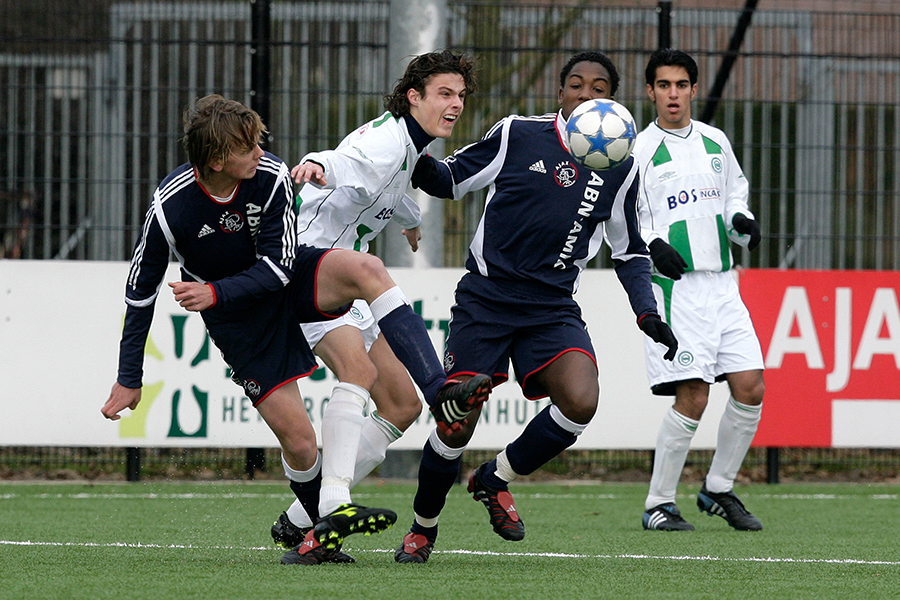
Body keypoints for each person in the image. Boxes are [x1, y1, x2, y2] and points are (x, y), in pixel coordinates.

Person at [99, 95, 491, 566]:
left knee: (366, 272)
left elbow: (281, 265)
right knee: (302, 444)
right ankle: (318, 527)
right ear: (217, 159)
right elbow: (138, 295)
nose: (261, 153)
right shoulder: (170, 207)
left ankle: (436, 392)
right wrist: (129, 377)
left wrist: (215, 292)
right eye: (248, 147)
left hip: (282, 279)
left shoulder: (269, 177)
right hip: (240, 322)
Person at [392, 51, 678, 564]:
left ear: (613, 100)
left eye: (599, 87)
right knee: (456, 424)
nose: (586, 94)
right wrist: (403, 143)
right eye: (576, 84)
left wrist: (647, 312)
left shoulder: (623, 166)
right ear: (560, 92)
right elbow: (448, 180)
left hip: (551, 307)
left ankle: (494, 477)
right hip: (486, 300)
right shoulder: (517, 134)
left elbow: (631, 251)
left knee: (581, 400)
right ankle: (423, 528)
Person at [268, 50, 481, 558]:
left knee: (399, 406)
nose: (454, 105)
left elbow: (391, 182)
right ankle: (332, 506)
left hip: (342, 274)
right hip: (305, 266)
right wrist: (319, 164)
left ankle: (301, 519)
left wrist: (409, 217)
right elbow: (353, 161)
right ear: (414, 97)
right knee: (360, 370)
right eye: (444, 94)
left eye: (460, 97)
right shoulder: (386, 139)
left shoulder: (409, 147)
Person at [633, 48, 765, 532]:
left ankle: (719, 488)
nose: (673, 94)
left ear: (693, 89)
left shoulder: (715, 141)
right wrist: (651, 245)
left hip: (724, 285)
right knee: (693, 395)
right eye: (663, 85)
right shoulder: (638, 151)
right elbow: (624, 219)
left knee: (750, 388)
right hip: (676, 289)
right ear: (650, 92)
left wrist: (740, 220)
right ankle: (657, 504)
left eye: (681, 85)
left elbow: (734, 193)